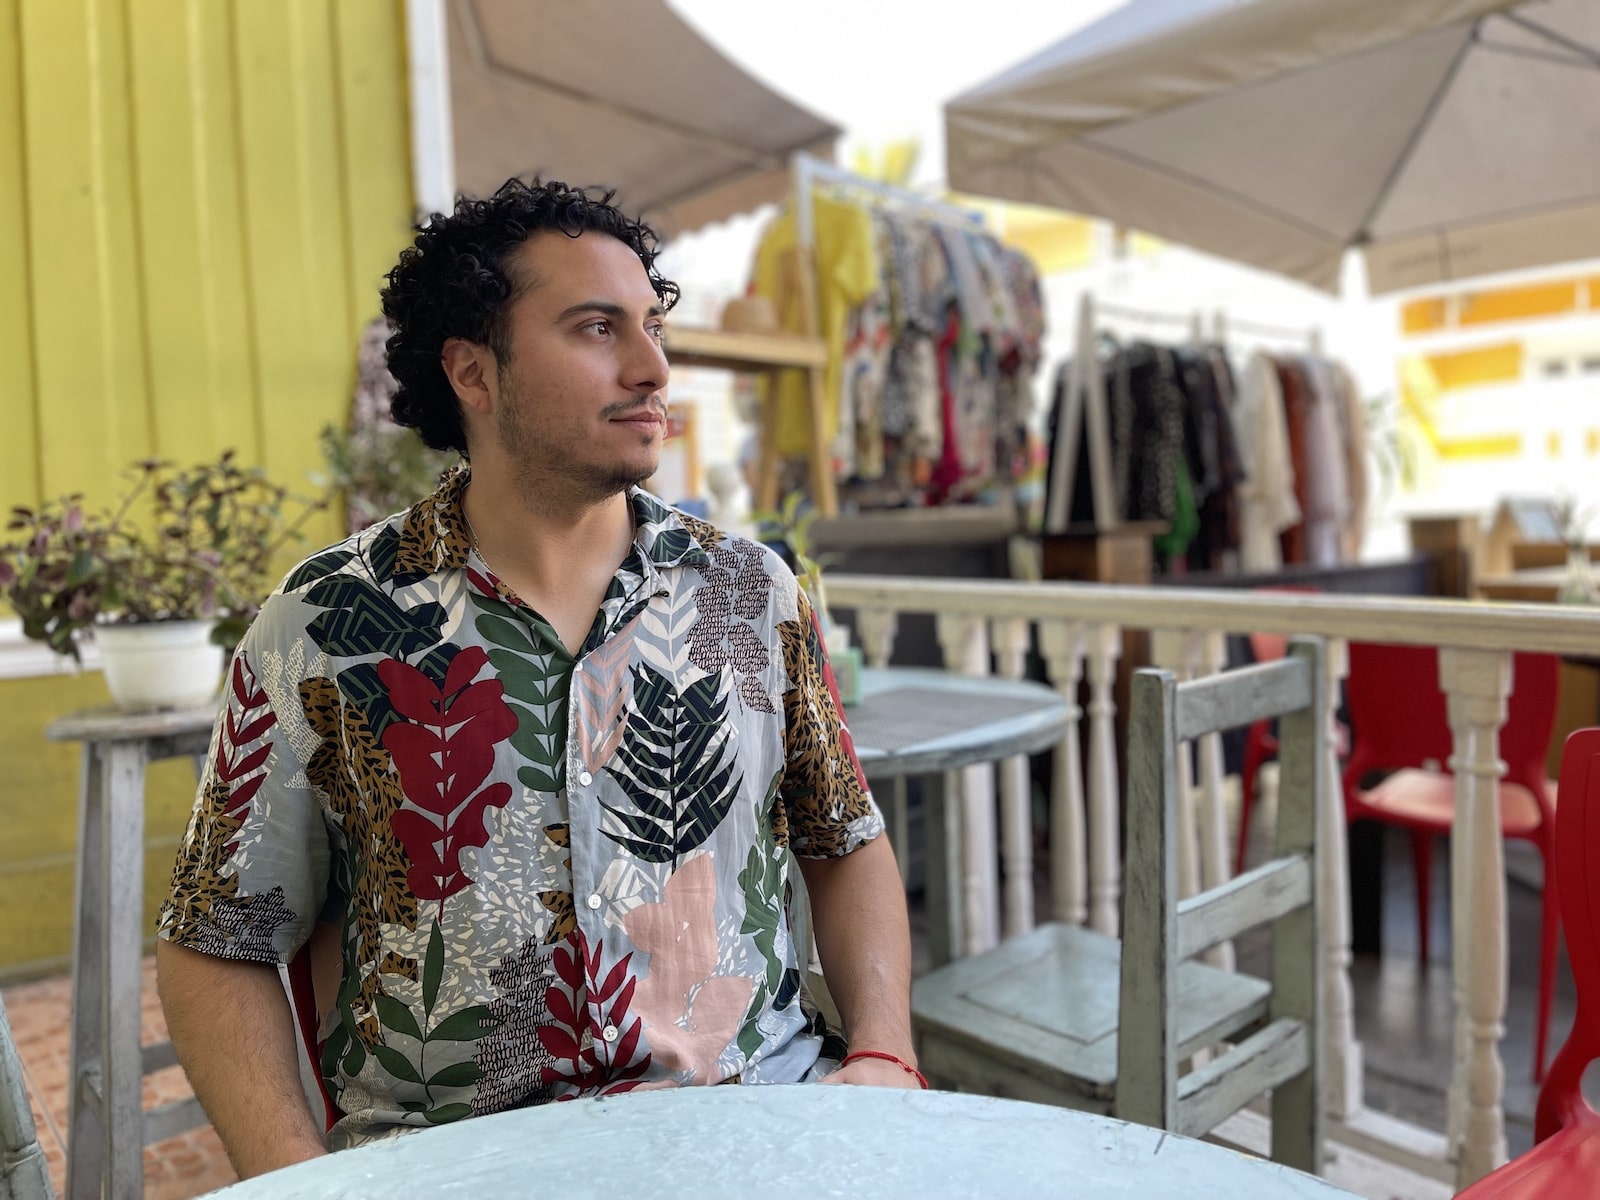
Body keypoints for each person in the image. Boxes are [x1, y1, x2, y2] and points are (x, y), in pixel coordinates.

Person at [155, 178, 919, 1179]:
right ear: (473, 371)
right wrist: (297, 1179)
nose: (653, 367)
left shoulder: (748, 591)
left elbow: (844, 839)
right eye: (598, 328)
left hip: (753, 1139)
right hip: (455, 1168)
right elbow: (218, 938)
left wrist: (883, 1053)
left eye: (653, 324)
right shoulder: (328, 622)